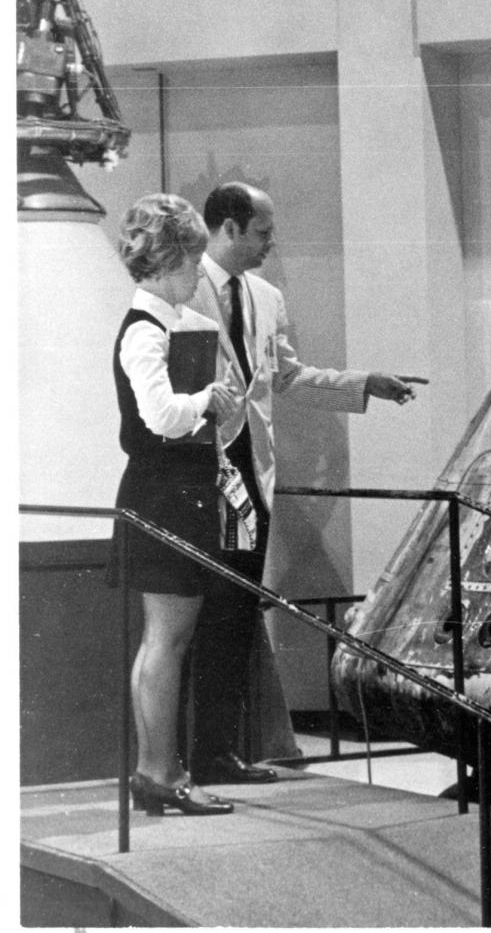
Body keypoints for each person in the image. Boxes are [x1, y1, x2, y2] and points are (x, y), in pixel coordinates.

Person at [183, 180, 422, 785]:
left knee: (236, 617)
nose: (270, 243)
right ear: (230, 228)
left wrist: (363, 382)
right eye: (262, 231)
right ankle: (192, 753)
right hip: (194, 482)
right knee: (200, 620)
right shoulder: (180, 290)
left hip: (247, 484)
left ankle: (217, 753)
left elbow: (286, 377)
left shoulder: (266, 297)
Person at [112, 194, 244, 816]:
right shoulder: (145, 329)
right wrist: (207, 400)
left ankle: (158, 770)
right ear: (169, 262)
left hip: (174, 495)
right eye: (193, 262)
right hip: (162, 497)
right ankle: (159, 772)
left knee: (168, 639)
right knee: (166, 640)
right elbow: (160, 417)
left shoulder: (167, 323)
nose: (199, 275)